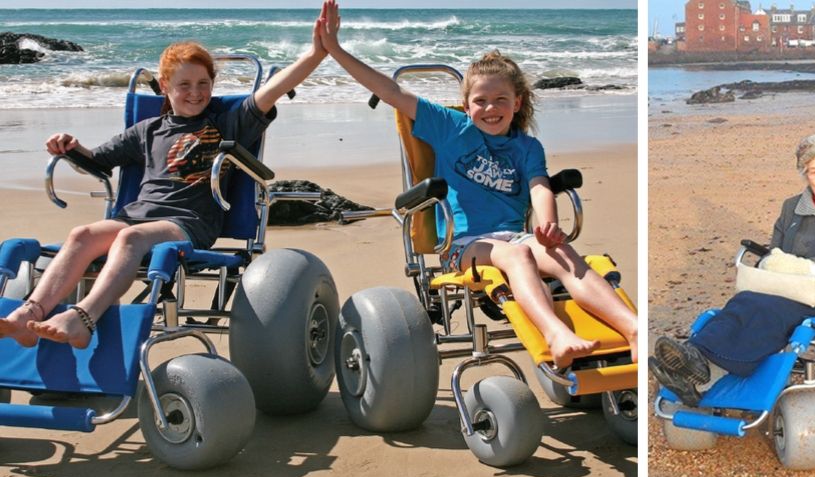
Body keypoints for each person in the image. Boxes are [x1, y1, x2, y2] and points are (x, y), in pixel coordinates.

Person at [312, 0, 637, 369]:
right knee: (519, 256)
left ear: (518, 102)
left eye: (501, 99)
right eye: (480, 101)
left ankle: (633, 329)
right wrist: (335, 49)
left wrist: (548, 225)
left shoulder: (526, 146)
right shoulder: (450, 128)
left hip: (518, 237)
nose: (490, 108)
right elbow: (389, 91)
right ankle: (556, 334)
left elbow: (540, 186)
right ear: (466, 105)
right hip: (464, 244)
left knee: (564, 256)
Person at [0, 19, 328, 348]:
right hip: (137, 216)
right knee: (82, 235)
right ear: (164, 86)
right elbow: (97, 161)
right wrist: (70, 147)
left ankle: (83, 317)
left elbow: (273, 90)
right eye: (184, 85)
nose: (196, 93)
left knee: (129, 238)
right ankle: (30, 314)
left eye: (203, 83)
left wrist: (315, 54)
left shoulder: (227, 121)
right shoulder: (148, 129)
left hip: (187, 223)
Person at [650, 132, 815, 406]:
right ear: (804, 173)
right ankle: (693, 360)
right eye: (814, 171)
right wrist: (771, 264)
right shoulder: (791, 206)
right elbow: (775, 252)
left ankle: (706, 371)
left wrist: (808, 267)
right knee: (744, 301)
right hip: (786, 289)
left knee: (770, 311)